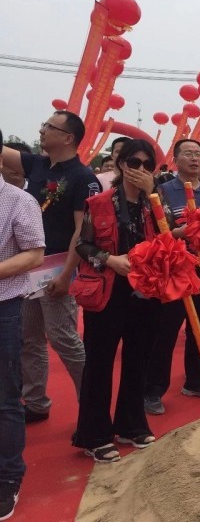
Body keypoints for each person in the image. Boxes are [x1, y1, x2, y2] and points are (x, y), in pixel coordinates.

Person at [1, 111, 100, 423]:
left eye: (48, 127)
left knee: (63, 338)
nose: (41, 130)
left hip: (56, 267)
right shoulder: (38, 164)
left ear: (68, 137)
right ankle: (36, 401)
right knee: (29, 338)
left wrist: (68, 273)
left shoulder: (84, 178)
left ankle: (92, 404)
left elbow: (80, 232)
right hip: (26, 268)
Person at [71, 140, 162, 462]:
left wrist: (153, 197)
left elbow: (166, 239)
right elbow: (83, 245)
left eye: (146, 164)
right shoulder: (98, 203)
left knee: (138, 360)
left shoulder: (154, 204)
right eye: (133, 162)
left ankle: (131, 424)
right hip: (108, 290)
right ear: (120, 164)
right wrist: (110, 259)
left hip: (146, 292)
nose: (139, 169)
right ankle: (95, 436)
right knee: (99, 362)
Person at [144, 139, 200, 414]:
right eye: (188, 154)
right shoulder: (162, 191)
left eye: (198, 154)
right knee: (166, 330)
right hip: (173, 268)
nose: (194, 159)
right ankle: (153, 389)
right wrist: (185, 231)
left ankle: (196, 380)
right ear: (176, 159)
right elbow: (157, 231)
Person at [0, 130, 45, 520]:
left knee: (4, 398)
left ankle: (8, 477)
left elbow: (33, 254)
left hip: (3, 307)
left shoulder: (19, 201)